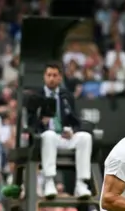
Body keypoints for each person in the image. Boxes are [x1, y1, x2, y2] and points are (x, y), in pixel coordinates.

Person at [38, 62, 93, 199]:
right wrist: (40, 122)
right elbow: (30, 122)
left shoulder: (66, 96)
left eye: (54, 75)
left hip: (63, 137)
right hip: (45, 138)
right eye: (49, 75)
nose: (51, 78)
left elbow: (76, 120)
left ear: (60, 78)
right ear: (44, 77)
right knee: (49, 135)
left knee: (85, 137)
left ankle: (81, 184)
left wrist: (72, 130)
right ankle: (49, 181)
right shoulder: (37, 96)